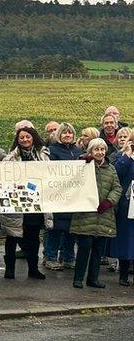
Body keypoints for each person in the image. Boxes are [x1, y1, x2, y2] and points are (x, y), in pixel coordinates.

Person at [71, 138, 122, 289]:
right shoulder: (84, 165)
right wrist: (83, 161)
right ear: (90, 151)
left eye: (102, 149)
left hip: (104, 215)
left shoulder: (111, 168)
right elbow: (73, 180)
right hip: (86, 216)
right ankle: (78, 278)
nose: (100, 152)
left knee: (98, 251)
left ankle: (93, 278)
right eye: (96, 149)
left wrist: (109, 201)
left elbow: (117, 188)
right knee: (84, 249)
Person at [1, 127, 50, 280]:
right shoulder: (10, 158)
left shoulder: (43, 156)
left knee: (33, 238)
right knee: (12, 236)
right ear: (17, 140)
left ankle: (33, 269)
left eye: (27, 137)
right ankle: (9, 270)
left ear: (33, 137)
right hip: (15, 203)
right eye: (21, 137)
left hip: (35, 204)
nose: (25, 140)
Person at [45, 123, 83, 271]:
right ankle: (51, 257)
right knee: (55, 228)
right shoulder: (52, 151)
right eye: (64, 133)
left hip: (74, 197)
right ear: (59, 135)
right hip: (57, 195)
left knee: (71, 229)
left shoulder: (78, 150)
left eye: (70, 133)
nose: (67, 135)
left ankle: (68, 257)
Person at [111, 136, 134, 285]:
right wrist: (127, 154)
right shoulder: (124, 156)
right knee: (127, 239)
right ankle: (124, 274)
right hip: (127, 203)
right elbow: (116, 172)